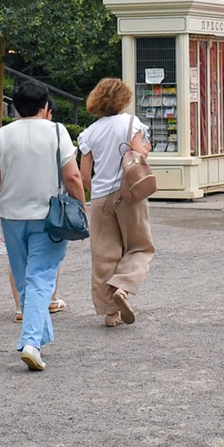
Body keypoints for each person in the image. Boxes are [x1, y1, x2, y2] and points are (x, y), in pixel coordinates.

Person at [0, 79, 85, 371]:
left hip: (11, 216)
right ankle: (32, 343)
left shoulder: (4, 134)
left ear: (16, 107)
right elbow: (72, 177)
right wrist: (82, 206)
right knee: (41, 277)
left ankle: (40, 333)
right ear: (45, 105)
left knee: (26, 278)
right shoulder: (58, 132)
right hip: (47, 217)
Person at [77, 77, 156, 326]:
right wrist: (147, 148)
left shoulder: (89, 133)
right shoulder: (132, 124)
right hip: (129, 193)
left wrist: (96, 191)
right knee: (140, 246)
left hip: (100, 198)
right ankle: (123, 287)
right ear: (124, 99)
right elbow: (139, 152)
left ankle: (110, 314)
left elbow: (84, 175)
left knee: (104, 256)